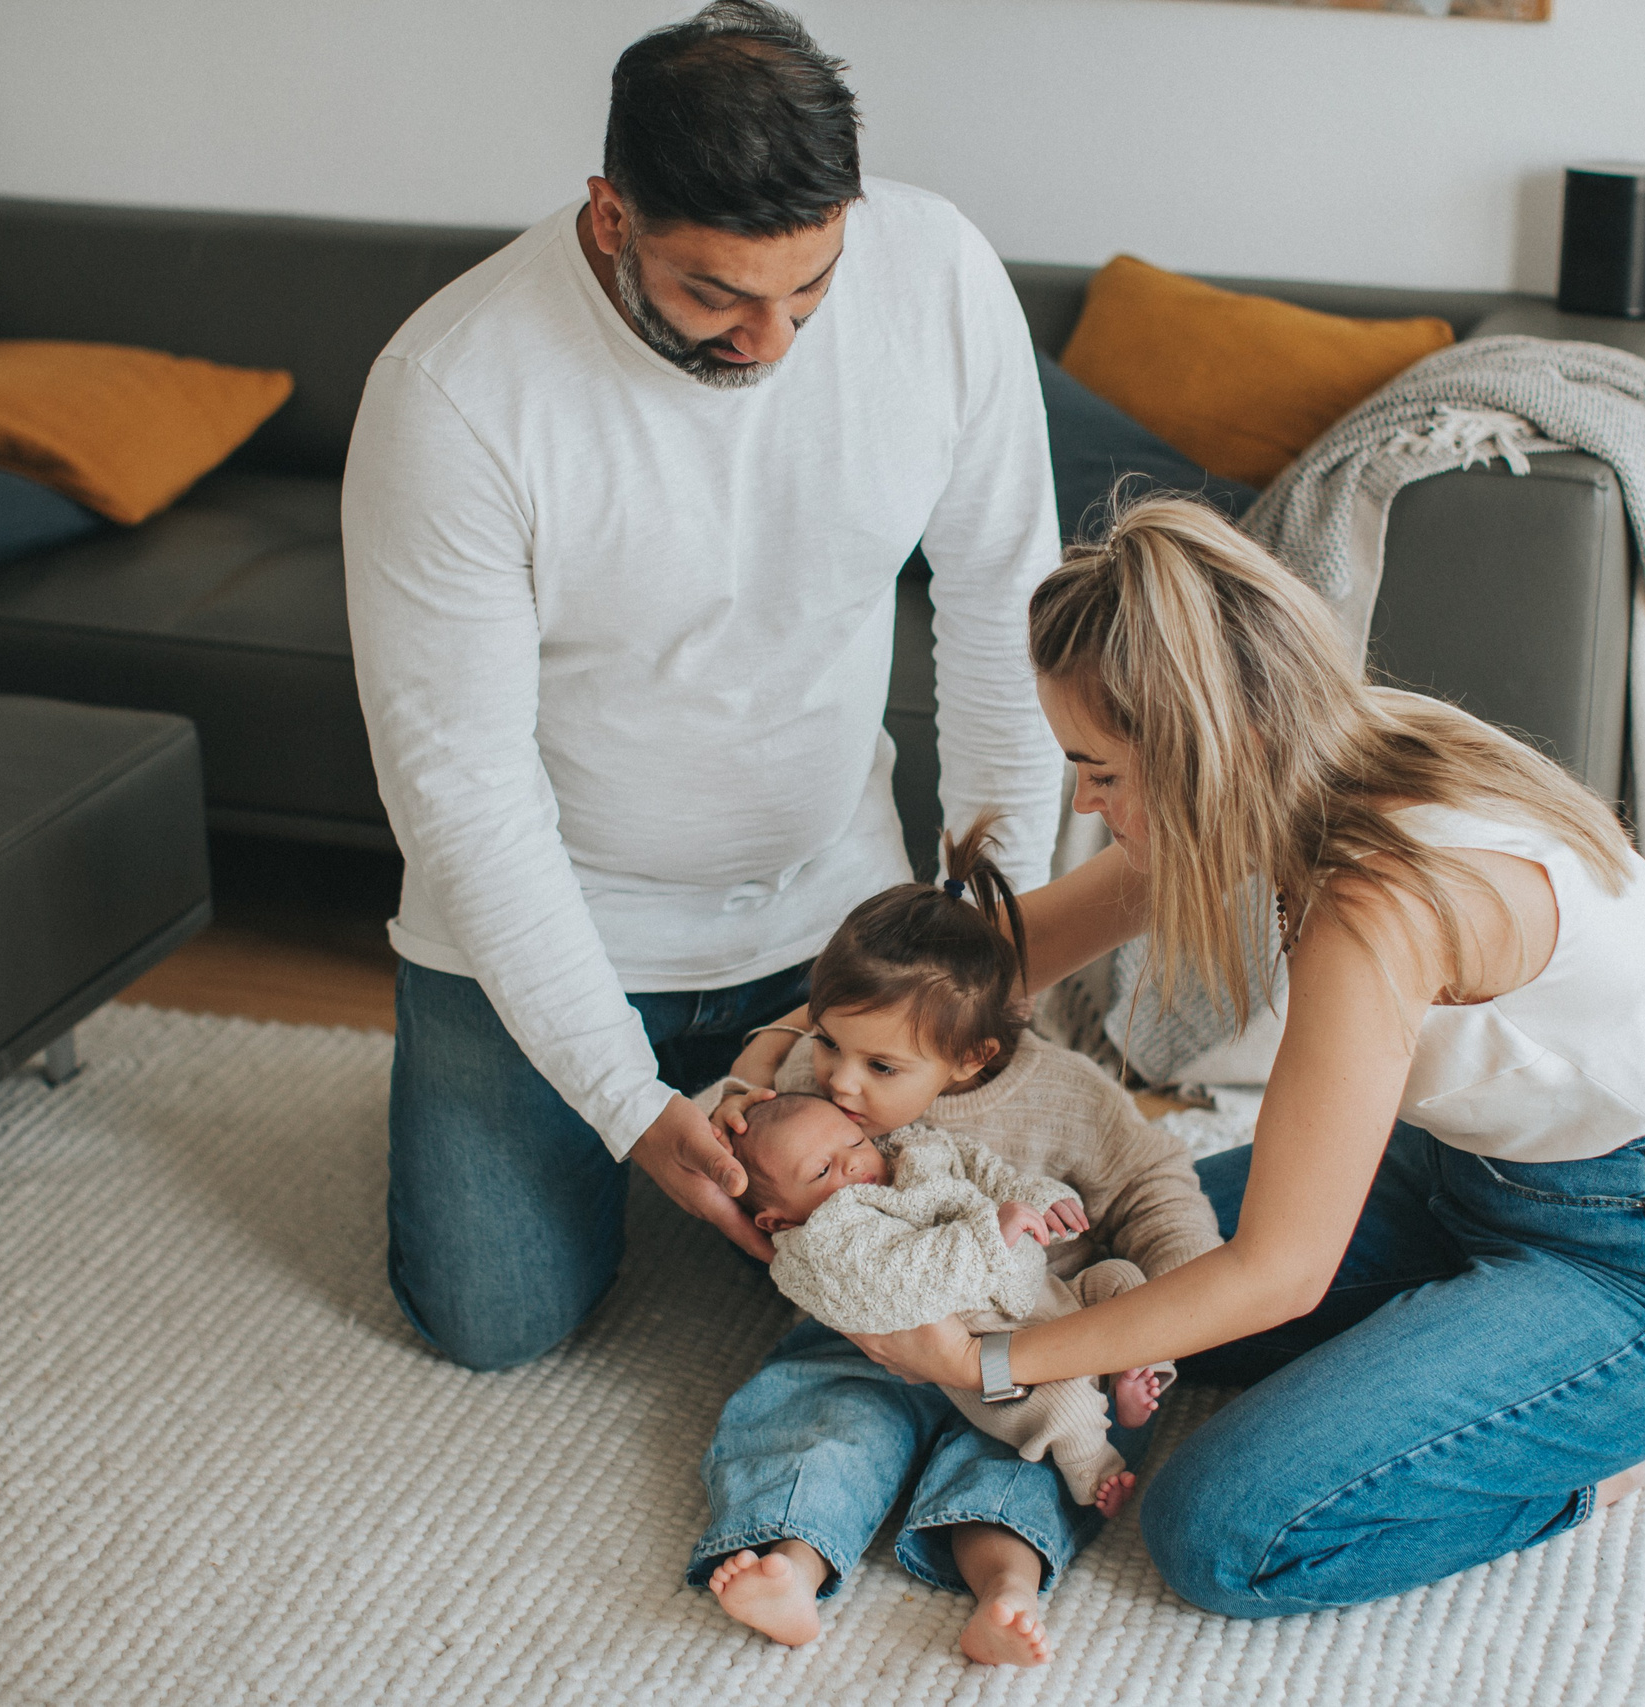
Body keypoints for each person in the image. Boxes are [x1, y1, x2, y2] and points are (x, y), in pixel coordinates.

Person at [847, 496, 1645, 1620]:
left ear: (1200, 749)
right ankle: (1448, 1326)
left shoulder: (1379, 901)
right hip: (1454, 1174)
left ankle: (1605, 1454)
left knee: (1219, 1530)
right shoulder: (1294, 757)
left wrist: (995, 1362)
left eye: (1099, 770)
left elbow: (1276, 1273)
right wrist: (823, 1039)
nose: (1087, 803)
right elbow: (1022, 950)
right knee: (1094, 1248)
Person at [340, 2, 1060, 1372]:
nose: (771, 341)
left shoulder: (939, 272)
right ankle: (540, 1089)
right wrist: (620, 1101)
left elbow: (999, 606)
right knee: (492, 1321)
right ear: (612, 217)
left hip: (833, 925)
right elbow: (463, 786)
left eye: (809, 289)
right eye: (716, 296)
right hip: (562, 919)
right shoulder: (454, 390)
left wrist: (983, 945)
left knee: (940, 1273)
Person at [686, 819, 1219, 1664]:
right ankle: (789, 1559)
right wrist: (737, 1099)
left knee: (1039, 1458)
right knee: (813, 1415)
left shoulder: (1070, 1098)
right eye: (827, 1039)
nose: (840, 1081)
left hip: (1032, 1343)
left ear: (970, 1059)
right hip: (871, 1340)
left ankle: (1004, 1591)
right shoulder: (814, 1080)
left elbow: (1157, 1180)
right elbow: (749, 1124)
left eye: (882, 1066)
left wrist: (1177, 1303)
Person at [736, 1092, 1167, 1509]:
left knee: (1122, 1280)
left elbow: (987, 1171)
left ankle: (1136, 1371)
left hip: (1047, 1294)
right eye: (821, 1170)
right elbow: (903, 1273)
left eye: (854, 1142)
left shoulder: (911, 1149)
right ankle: (1097, 1472)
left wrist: (1039, 1199)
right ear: (778, 1219)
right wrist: (990, 1235)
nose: (851, 1161)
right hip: (991, 1350)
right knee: (1066, 1405)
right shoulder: (825, 1240)